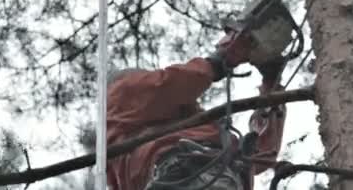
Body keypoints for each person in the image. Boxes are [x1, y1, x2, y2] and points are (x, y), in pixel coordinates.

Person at [106, 29, 288, 190]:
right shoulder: (121, 92)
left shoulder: (193, 126)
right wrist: (219, 60)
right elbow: (168, 86)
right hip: (187, 171)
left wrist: (271, 88)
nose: (147, 79)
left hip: (209, 174)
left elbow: (262, 153)